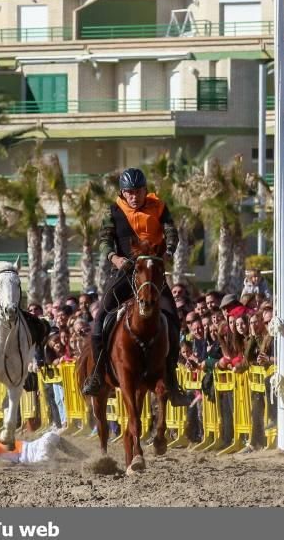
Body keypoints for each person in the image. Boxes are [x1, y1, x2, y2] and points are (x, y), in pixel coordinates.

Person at [81, 167, 188, 406]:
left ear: (144, 190)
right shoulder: (114, 211)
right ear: (123, 192)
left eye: (138, 191)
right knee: (100, 320)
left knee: (172, 319)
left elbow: (171, 233)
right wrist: (114, 258)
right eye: (129, 192)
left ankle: (171, 379)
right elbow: (105, 240)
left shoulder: (159, 206)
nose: (133, 196)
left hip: (152, 273)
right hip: (125, 272)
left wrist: (168, 251)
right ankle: (98, 373)